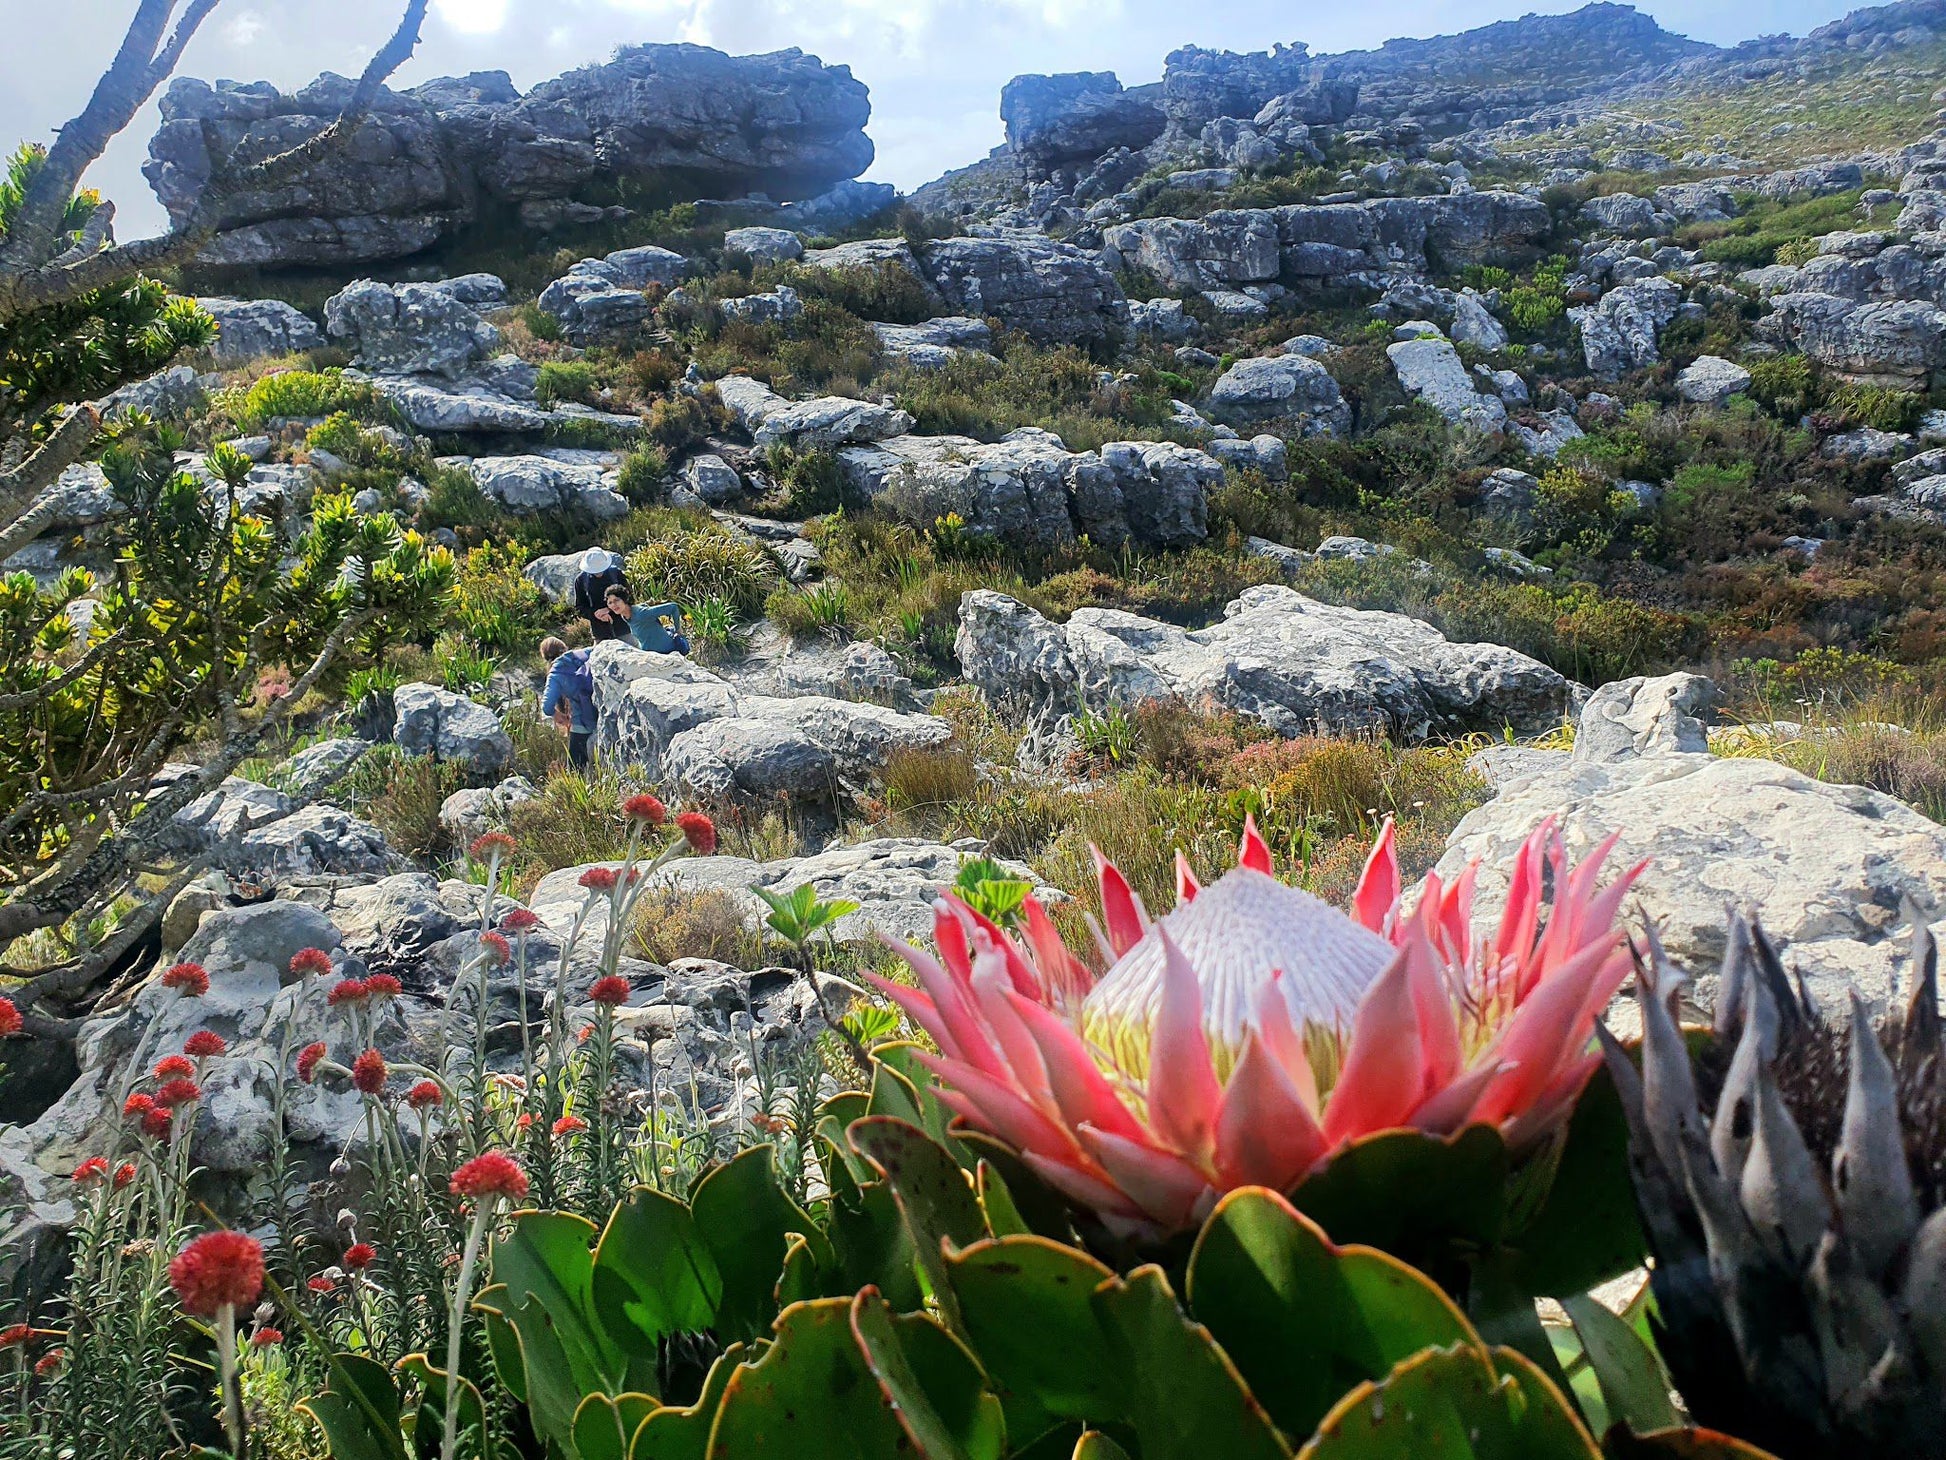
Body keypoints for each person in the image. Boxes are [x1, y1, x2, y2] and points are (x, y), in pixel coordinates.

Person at [539, 636, 597, 769]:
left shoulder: (555, 674)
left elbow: (547, 707)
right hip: (606, 714)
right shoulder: (584, 654)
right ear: (564, 647)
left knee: (576, 769)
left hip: (582, 724)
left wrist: (557, 715)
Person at [605, 584, 688, 655]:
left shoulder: (641, 613)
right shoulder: (625, 616)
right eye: (610, 602)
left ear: (624, 599)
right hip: (652, 656)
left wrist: (678, 629)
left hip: (668, 652)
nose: (614, 605)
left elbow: (673, 607)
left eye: (616, 600)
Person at [571, 548, 630, 642]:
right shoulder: (581, 581)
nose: (598, 573)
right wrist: (596, 614)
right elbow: (580, 607)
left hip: (624, 629)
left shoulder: (615, 574)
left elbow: (628, 598)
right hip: (600, 633)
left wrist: (610, 609)